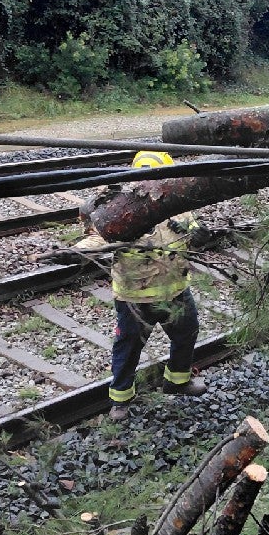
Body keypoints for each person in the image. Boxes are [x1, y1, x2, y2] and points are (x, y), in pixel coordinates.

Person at [61, 151, 208, 421]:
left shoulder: (178, 204)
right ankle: (120, 399)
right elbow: (99, 238)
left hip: (175, 290)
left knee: (186, 335)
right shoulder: (124, 212)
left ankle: (177, 381)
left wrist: (199, 235)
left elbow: (191, 230)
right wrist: (76, 251)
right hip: (134, 297)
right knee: (128, 348)